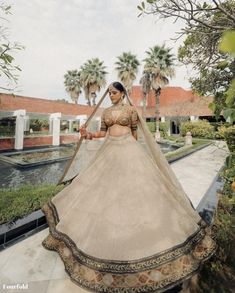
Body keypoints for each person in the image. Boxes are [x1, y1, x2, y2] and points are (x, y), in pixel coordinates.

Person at [42, 82, 216, 292]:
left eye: (114, 93)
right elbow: (103, 133)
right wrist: (87, 134)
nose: (111, 96)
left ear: (122, 93)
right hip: (109, 151)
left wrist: (130, 152)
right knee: (100, 191)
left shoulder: (131, 111)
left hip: (129, 152)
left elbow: (135, 134)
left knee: (137, 192)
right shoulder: (106, 112)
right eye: (109, 93)